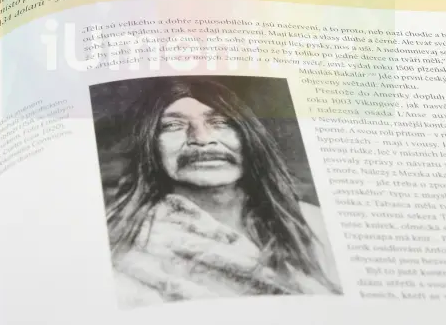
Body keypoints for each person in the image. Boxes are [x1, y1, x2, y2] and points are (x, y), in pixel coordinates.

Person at [104, 78, 342, 307]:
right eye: (173, 126)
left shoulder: (314, 224)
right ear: (151, 147)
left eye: (220, 122)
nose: (201, 139)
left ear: (249, 138)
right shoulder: (125, 244)